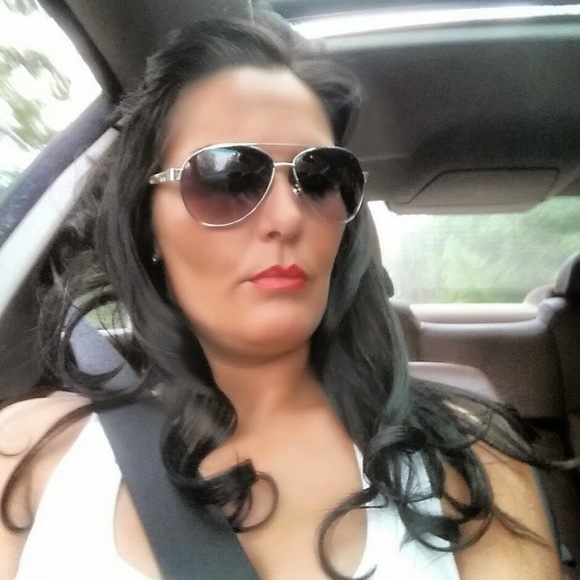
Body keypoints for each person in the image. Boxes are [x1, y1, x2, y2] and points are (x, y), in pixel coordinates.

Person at [0, 12, 572, 580]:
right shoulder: (28, 454)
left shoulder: (467, 464)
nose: (288, 216)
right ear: (149, 227)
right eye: (227, 174)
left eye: (319, 177)